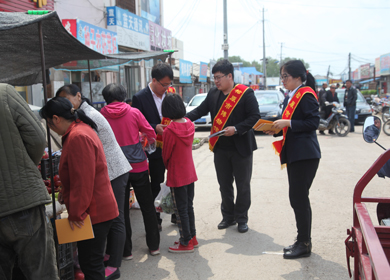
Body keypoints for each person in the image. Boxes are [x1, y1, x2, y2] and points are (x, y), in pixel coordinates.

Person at [56, 85, 131, 280]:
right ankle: (108, 257)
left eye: (67, 99)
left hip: (114, 169)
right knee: (110, 224)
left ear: (78, 96)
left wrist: (76, 211)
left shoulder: (84, 122)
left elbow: (84, 172)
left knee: (116, 220)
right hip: (106, 170)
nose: (66, 104)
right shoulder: (81, 119)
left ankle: (114, 264)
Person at [40, 97, 119, 280]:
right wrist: (65, 194)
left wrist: (76, 212)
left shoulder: (78, 136)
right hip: (95, 208)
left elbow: (83, 182)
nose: (50, 128)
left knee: (91, 264)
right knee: (90, 262)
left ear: (56, 119)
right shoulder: (78, 131)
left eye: (49, 124)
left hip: (95, 210)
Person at [186, 59, 260, 233]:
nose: (216, 81)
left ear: (229, 76)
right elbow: (199, 111)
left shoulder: (245, 94)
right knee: (224, 184)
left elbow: (254, 117)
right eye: (214, 78)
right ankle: (228, 217)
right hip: (221, 148)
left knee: (243, 185)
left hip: (241, 148)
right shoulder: (213, 93)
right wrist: (181, 119)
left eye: (219, 77)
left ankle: (242, 217)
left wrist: (236, 129)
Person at [0, 84, 59, 280]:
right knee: (42, 273)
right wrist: (24, 169)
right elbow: (37, 137)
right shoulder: (4, 92)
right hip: (22, 201)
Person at [265, 60, 321, 259]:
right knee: (297, 198)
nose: (283, 80)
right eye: (282, 76)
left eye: (285, 76)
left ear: (298, 76)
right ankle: (301, 240)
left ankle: (304, 243)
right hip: (297, 153)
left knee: (299, 199)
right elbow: (293, 124)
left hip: (305, 155)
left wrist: (287, 122)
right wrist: (275, 128)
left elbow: (313, 122)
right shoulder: (293, 95)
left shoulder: (306, 94)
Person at [100, 83, 161, 257]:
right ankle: (154, 246)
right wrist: (144, 144)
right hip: (138, 167)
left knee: (121, 210)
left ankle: (126, 251)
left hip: (116, 169)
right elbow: (151, 133)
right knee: (147, 207)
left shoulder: (101, 115)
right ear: (123, 95)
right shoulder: (134, 112)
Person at [132, 63, 176, 230]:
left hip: (172, 145)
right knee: (156, 182)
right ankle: (155, 219)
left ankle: (175, 213)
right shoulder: (140, 97)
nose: (166, 88)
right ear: (154, 80)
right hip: (154, 147)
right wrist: (154, 127)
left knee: (175, 181)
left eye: (168, 84)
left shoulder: (170, 93)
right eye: (164, 84)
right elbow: (135, 122)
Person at [161, 94, 198, 253]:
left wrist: (167, 165)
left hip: (177, 174)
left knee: (180, 209)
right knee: (189, 206)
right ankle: (192, 237)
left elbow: (166, 154)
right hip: (190, 172)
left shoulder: (170, 130)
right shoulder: (190, 124)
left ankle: (185, 242)